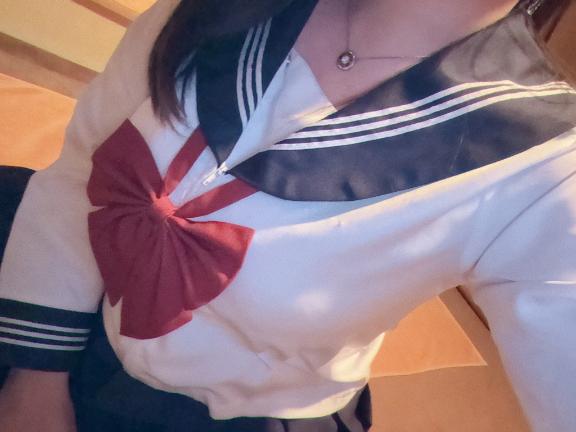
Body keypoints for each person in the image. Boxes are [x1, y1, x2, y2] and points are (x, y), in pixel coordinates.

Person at [0, 0, 575, 430]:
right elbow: (80, 175)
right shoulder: (218, 9)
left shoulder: (546, 168)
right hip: (58, 307)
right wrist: (36, 377)